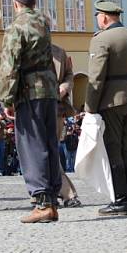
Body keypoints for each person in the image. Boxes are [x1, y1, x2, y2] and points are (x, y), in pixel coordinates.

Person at [0, 0, 61, 224]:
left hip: (29, 91)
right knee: (49, 143)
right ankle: (52, 199)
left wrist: (7, 98)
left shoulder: (17, 26)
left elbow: (9, 66)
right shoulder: (45, 22)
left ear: (15, 4)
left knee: (31, 145)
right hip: (49, 88)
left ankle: (42, 202)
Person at [85, 0, 127, 216]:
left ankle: (119, 200)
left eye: (98, 15)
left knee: (113, 149)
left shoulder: (102, 39)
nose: (98, 19)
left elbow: (96, 77)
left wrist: (90, 106)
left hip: (111, 100)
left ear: (105, 17)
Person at [52, 43, 82, 208]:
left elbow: (69, 74)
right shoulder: (23, 48)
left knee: (50, 151)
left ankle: (58, 193)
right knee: (42, 153)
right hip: (32, 108)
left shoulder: (59, 52)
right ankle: (51, 193)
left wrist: (66, 86)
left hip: (56, 108)